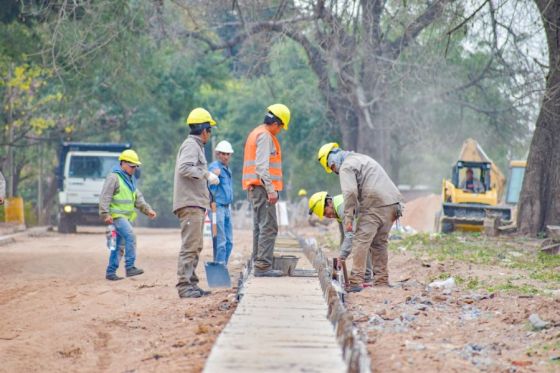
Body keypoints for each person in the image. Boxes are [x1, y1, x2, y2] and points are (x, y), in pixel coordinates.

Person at [317, 143, 402, 292]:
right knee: (379, 243)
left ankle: (356, 281)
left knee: (360, 240)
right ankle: (381, 280)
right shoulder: (361, 159)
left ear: (331, 162)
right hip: (393, 203)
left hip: (375, 204)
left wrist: (348, 219)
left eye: (332, 169)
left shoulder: (346, 166)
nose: (334, 171)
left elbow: (349, 192)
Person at [173, 107, 219, 298]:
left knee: (196, 245)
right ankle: (184, 286)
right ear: (204, 130)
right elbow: (184, 168)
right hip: (190, 203)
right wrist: (206, 174)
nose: (210, 134)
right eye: (210, 130)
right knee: (190, 245)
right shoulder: (191, 145)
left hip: (196, 203)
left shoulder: (196, 146)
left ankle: (192, 283)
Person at [242, 103, 291, 277]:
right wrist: (271, 190)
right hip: (263, 189)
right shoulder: (265, 136)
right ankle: (263, 266)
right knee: (269, 227)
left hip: (255, 188)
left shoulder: (256, 132)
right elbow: (262, 168)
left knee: (259, 226)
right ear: (277, 123)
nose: (280, 131)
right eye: (281, 127)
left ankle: (258, 261)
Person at [99, 149, 157, 281]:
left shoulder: (130, 180)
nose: (134, 169)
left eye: (135, 166)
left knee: (119, 246)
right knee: (131, 236)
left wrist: (147, 210)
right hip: (116, 217)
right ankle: (130, 267)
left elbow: (137, 198)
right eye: (132, 166)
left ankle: (110, 272)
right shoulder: (114, 177)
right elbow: (105, 196)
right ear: (123, 163)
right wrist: (105, 213)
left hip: (126, 218)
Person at [308, 191, 373, 286]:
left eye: (326, 212)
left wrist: (342, 256)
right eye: (325, 215)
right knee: (360, 242)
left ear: (329, 202)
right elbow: (344, 236)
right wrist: (341, 256)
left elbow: (350, 235)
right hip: (366, 217)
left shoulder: (342, 208)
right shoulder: (337, 208)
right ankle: (367, 277)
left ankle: (367, 278)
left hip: (373, 214)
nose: (328, 216)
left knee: (361, 242)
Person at [209, 140, 234, 264]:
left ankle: (223, 265)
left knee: (229, 242)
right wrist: (214, 174)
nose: (225, 156)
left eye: (227, 154)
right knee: (221, 241)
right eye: (223, 154)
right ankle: (219, 267)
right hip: (217, 208)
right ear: (218, 154)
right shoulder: (215, 166)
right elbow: (211, 174)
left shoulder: (227, 169)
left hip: (227, 208)